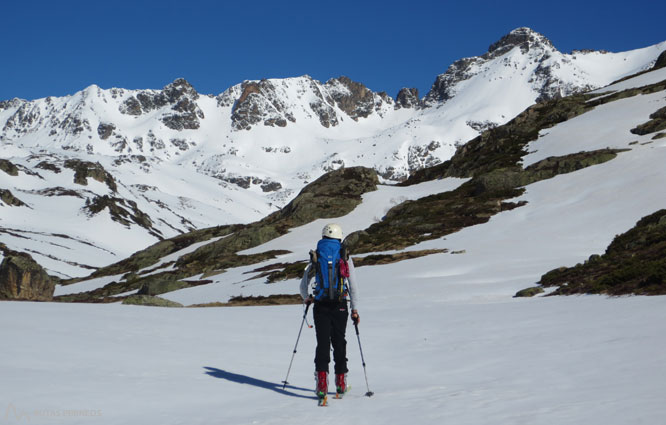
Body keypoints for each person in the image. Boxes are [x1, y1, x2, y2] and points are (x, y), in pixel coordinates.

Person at [300, 223, 360, 400]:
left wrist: (307, 297)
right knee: (339, 342)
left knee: (323, 343)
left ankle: (321, 384)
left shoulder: (317, 255)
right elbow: (353, 286)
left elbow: (304, 282)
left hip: (320, 306)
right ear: (339, 237)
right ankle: (341, 383)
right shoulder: (344, 255)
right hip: (340, 305)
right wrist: (355, 309)